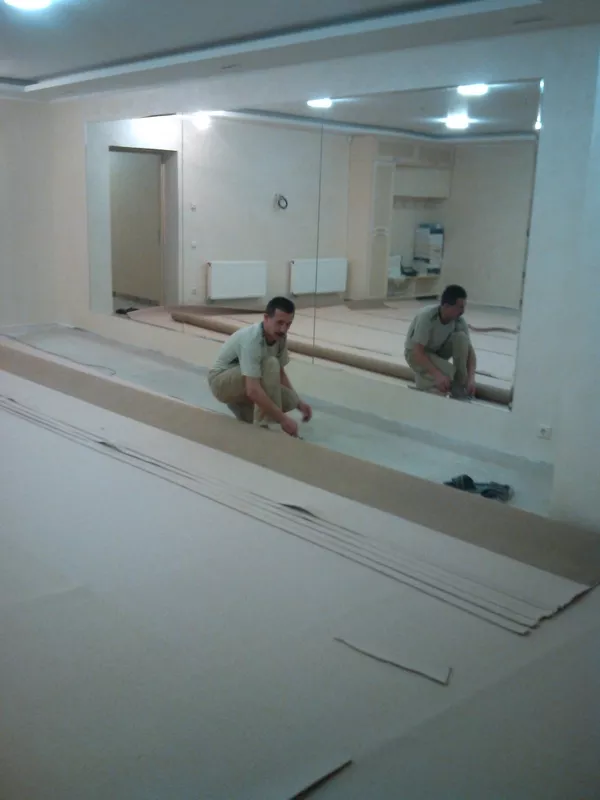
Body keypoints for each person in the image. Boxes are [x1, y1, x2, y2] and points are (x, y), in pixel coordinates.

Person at [208, 296, 313, 437]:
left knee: (290, 400)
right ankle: (265, 428)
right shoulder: (252, 340)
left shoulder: (280, 337)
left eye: (288, 324)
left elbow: (280, 374)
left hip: (247, 381)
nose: (283, 329)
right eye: (279, 323)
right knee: (270, 364)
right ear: (266, 318)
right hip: (221, 382)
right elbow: (252, 389)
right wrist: (282, 419)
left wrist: (299, 404)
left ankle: (242, 407)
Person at [404, 284, 476, 399]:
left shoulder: (458, 321)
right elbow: (417, 352)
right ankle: (424, 383)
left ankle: (459, 385)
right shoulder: (427, 317)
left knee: (462, 338)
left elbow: (470, 352)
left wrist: (471, 379)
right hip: (416, 354)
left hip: (437, 352)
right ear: (446, 306)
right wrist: (437, 375)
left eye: (463, 307)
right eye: (459, 307)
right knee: (448, 372)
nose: (462, 311)